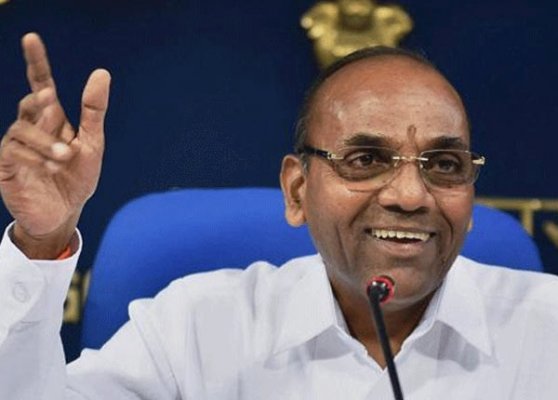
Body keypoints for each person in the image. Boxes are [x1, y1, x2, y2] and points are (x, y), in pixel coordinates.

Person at [0, 32, 557, 400]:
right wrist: (42, 240)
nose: (411, 195)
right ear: (297, 190)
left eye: (443, 165)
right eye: (365, 160)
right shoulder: (196, 329)